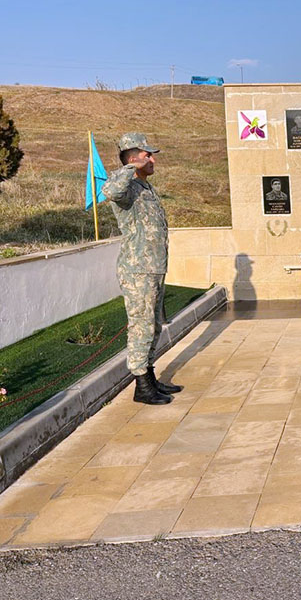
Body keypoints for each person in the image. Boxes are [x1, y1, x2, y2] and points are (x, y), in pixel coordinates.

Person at [102, 133, 183, 405]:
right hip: (138, 270)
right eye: (147, 155)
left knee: (153, 327)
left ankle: (149, 378)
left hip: (154, 268)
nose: (153, 159)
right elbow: (110, 191)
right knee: (141, 327)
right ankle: (141, 387)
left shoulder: (147, 188)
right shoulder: (126, 188)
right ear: (133, 157)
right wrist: (129, 167)